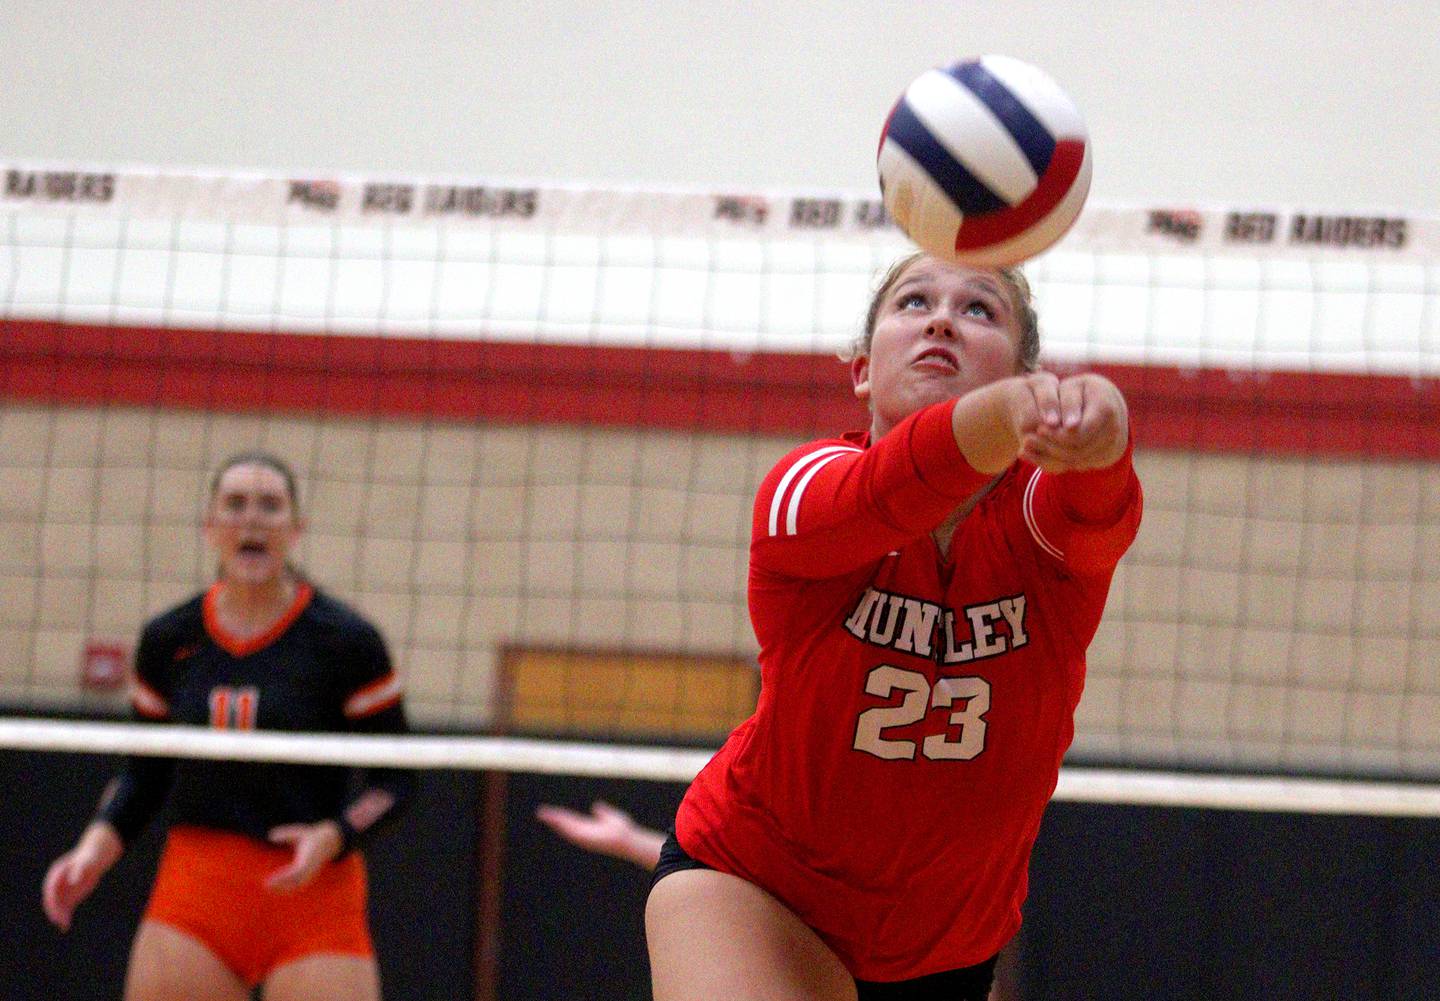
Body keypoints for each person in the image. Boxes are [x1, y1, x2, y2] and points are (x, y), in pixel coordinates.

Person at [644, 252, 1143, 1001]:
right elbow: (895, 488)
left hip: (947, 945)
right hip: (756, 883)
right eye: (913, 302)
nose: (942, 317)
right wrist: (1010, 413)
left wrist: (1102, 423)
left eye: (980, 309)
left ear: (1023, 368)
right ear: (862, 373)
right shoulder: (805, 490)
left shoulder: (1036, 525)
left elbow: (1100, 509)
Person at [41, 452, 412, 1001]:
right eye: (235, 504)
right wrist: (95, 847)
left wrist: (333, 836)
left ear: (296, 528)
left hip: (312, 891)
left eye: (270, 506)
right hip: (198, 892)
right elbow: (144, 773)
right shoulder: (171, 640)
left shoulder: (344, 642)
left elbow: (396, 781)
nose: (252, 520)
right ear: (210, 527)